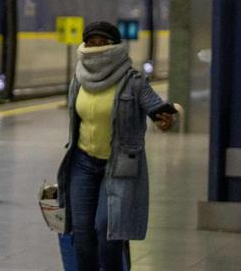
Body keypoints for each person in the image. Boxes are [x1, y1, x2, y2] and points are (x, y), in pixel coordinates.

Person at [57, 21, 176, 271]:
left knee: (108, 231)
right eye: (92, 42)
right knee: (82, 234)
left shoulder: (133, 81)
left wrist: (163, 118)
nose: (97, 48)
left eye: (104, 43)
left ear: (116, 46)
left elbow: (154, 105)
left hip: (119, 165)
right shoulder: (78, 79)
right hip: (82, 163)